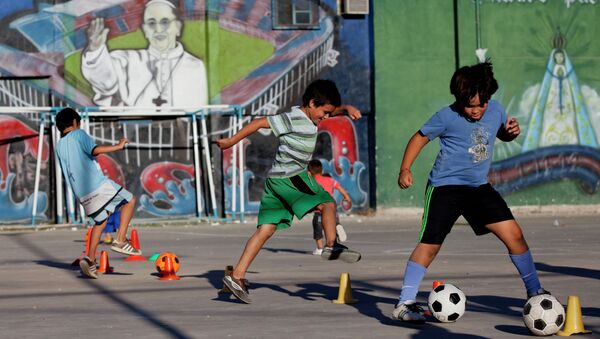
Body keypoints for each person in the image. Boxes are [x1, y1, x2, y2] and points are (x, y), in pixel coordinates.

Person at [393, 62, 549, 323]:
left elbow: (501, 133)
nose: (476, 111)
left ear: (489, 97)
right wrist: (405, 169)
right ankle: (404, 303)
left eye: (481, 104)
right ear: (458, 99)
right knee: (430, 246)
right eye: (470, 106)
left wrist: (510, 133)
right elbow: (419, 137)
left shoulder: (496, 110)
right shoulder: (446, 116)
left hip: (478, 188)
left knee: (515, 235)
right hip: (445, 187)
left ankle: (535, 291)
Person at [216, 79, 362, 304]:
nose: (326, 118)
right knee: (328, 203)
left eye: (330, 114)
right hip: (290, 178)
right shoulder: (292, 118)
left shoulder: (312, 112)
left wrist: (346, 109)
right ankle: (331, 245)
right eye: (324, 113)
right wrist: (231, 141)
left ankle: (237, 276)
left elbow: (330, 110)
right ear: (312, 104)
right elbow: (258, 123)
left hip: (275, 182)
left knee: (266, 230)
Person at [55, 108, 141, 279]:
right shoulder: (79, 134)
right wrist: (118, 146)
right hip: (97, 185)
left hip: (82, 194)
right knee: (130, 200)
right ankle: (121, 239)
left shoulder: (59, 146)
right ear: (74, 122)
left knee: (100, 222)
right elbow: (94, 150)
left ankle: (90, 259)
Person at [81, 0, 208, 107]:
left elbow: (196, 112)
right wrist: (95, 49)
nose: (158, 29)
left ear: (178, 27)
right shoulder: (127, 59)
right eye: (152, 23)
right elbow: (105, 82)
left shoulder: (194, 66)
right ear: (145, 30)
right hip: (134, 133)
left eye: (165, 22)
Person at [307, 159, 351, 255]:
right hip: (332, 211)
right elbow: (340, 188)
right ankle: (333, 243)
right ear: (322, 171)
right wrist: (347, 197)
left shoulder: (311, 183)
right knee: (330, 228)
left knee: (318, 231)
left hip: (319, 212)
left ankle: (319, 249)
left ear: (309, 172)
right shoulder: (330, 180)